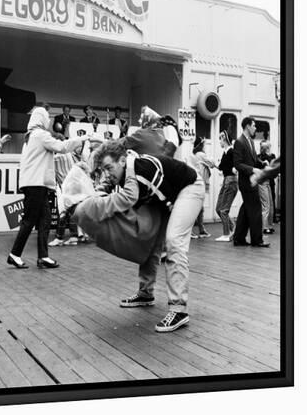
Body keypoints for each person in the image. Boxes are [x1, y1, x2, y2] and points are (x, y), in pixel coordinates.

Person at [95, 140, 204, 333]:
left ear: (122, 161)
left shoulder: (142, 169)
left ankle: (179, 309)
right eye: (104, 169)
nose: (107, 173)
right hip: (165, 197)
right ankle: (146, 294)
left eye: (109, 168)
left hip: (188, 188)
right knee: (149, 239)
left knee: (174, 241)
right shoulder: (124, 176)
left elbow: (166, 197)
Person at [7, 107, 86, 269]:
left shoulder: (29, 137)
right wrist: (82, 139)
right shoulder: (40, 135)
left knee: (44, 220)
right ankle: (14, 255)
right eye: (46, 117)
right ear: (41, 119)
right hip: (37, 184)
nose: (48, 120)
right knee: (30, 221)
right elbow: (61, 147)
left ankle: (43, 256)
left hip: (34, 184)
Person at [233, 116, 269, 247]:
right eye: (254, 125)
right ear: (247, 126)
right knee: (255, 208)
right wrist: (253, 169)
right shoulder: (239, 142)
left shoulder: (250, 141)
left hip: (251, 182)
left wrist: (261, 163)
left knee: (246, 209)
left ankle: (238, 238)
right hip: (246, 182)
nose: (255, 128)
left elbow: (252, 160)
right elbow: (237, 164)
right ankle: (257, 240)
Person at [48, 134, 84, 247]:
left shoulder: (58, 156)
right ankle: (73, 237)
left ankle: (61, 237)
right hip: (72, 187)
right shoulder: (69, 155)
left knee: (63, 213)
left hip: (66, 188)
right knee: (70, 212)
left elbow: (47, 163)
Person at [188, 137, 216, 239]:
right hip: (200, 183)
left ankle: (201, 229)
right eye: (204, 144)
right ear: (201, 145)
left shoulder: (194, 154)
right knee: (197, 207)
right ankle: (191, 230)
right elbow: (212, 163)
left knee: (199, 207)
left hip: (194, 183)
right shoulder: (201, 155)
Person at [214, 131, 238, 241]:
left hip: (231, 181)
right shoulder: (225, 152)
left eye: (221, 139)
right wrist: (213, 164)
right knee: (218, 209)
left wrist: (235, 169)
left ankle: (226, 234)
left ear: (225, 140)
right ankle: (235, 230)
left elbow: (236, 165)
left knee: (223, 210)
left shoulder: (232, 151)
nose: (220, 141)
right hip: (226, 181)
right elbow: (222, 167)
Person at [258, 140, 276, 235]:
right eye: (263, 147)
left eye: (266, 147)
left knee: (271, 205)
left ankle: (269, 225)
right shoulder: (260, 157)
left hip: (268, 182)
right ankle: (265, 227)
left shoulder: (270, 157)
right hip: (262, 183)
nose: (264, 149)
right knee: (266, 205)